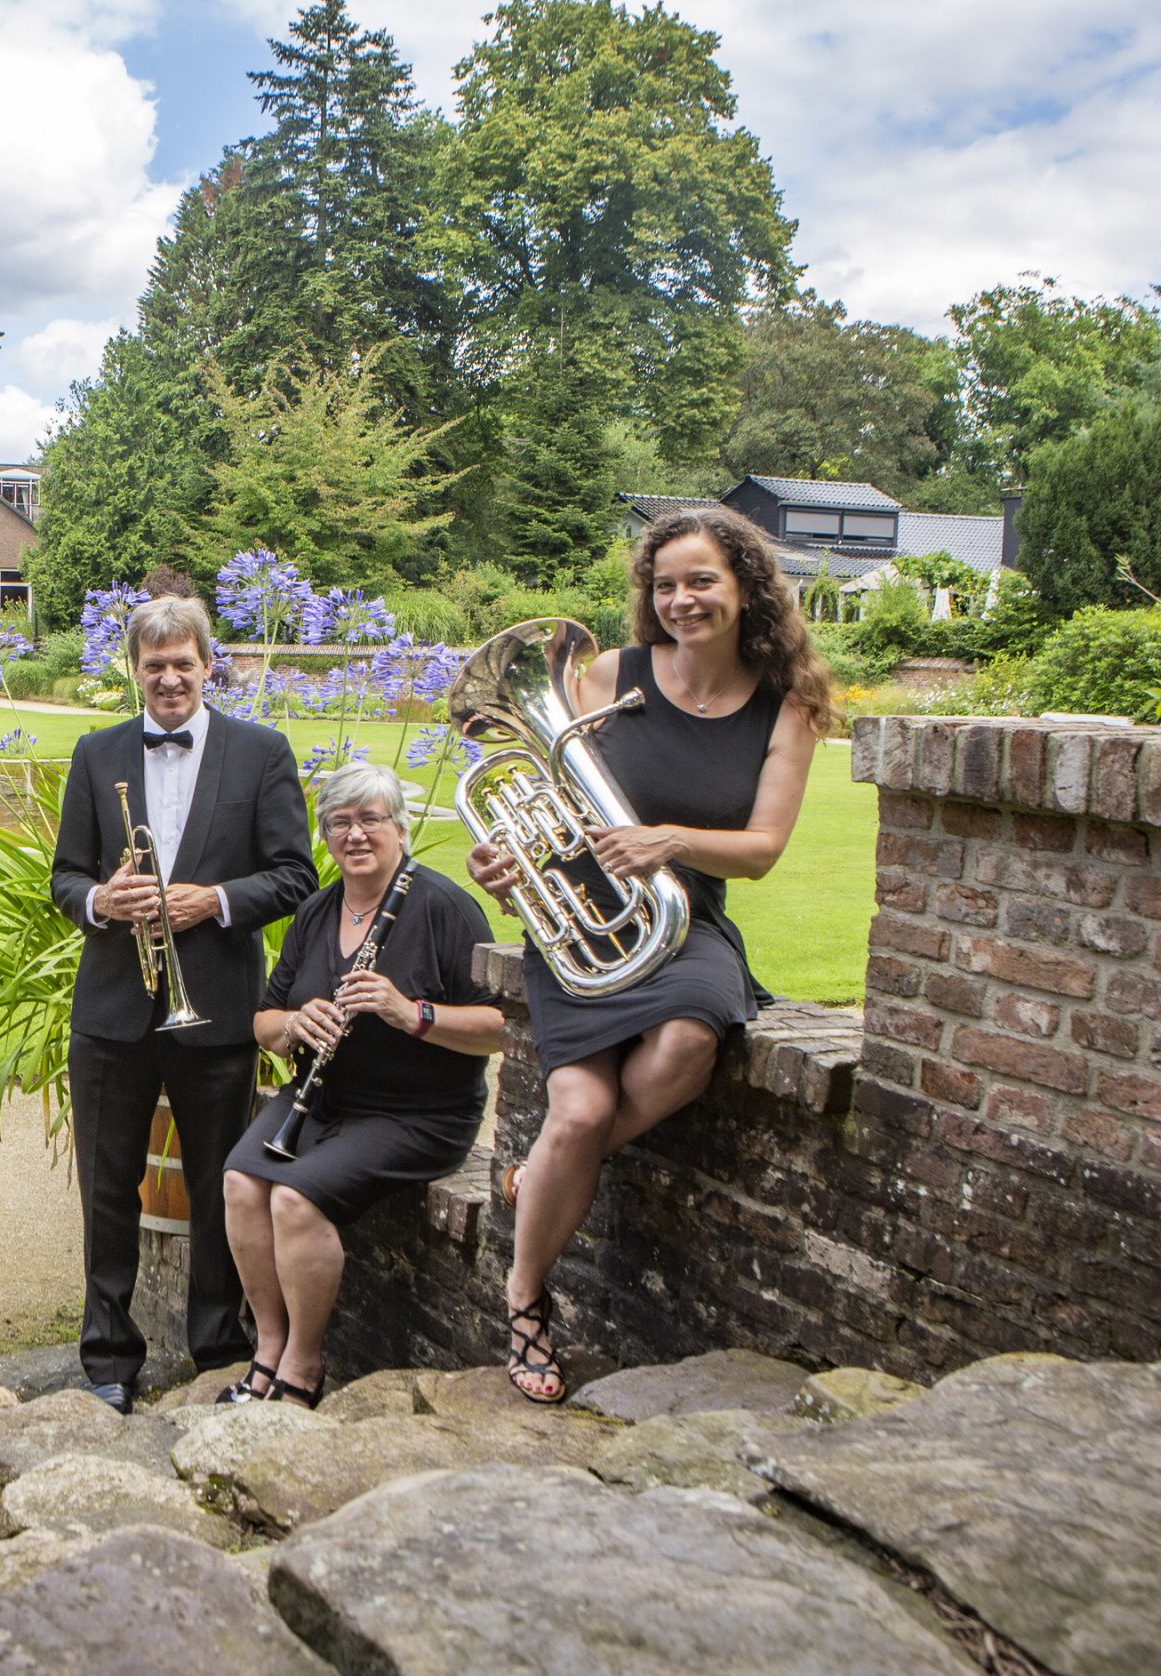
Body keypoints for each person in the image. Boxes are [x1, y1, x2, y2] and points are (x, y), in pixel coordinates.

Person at [469, 505, 837, 1404]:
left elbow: (762, 850)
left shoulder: (786, 706)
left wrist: (667, 839)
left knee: (687, 1045)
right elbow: (551, 803)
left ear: (746, 585)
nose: (682, 599)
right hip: (578, 922)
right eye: (665, 584)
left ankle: (538, 1171)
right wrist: (507, 862)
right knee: (584, 1108)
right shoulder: (607, 675)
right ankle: (525, 1300)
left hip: (685, 918)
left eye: (702, 579)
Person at [50, 596, 318, 1411]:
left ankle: (216, 1347)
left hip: (215, 1002)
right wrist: (102, 899)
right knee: (106, 1185)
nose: (169, 677)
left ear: (210, 664)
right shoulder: (95, 754)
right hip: (113, 1007)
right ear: (133, 669)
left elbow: (296, 874)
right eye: (153, 663)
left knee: (216, 1181)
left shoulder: (261, 751)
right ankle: (107, 1358)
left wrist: (218, 900)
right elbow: (65, 877)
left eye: (183, 661)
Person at [224, 763, 505, 1407]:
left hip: (417, 1112)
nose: (355, 835)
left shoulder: (443, 907)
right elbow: (263, 1022)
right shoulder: (318, 909)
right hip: (322, 1098)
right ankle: (266, 1346)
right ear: (325, 835)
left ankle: (302, 1365)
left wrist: (412, 1013)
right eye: (340, 823)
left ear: (400, 829)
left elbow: (500, 1026)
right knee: (242, 1181)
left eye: (370, 819)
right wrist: (296, 1022)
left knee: (295, 1200)